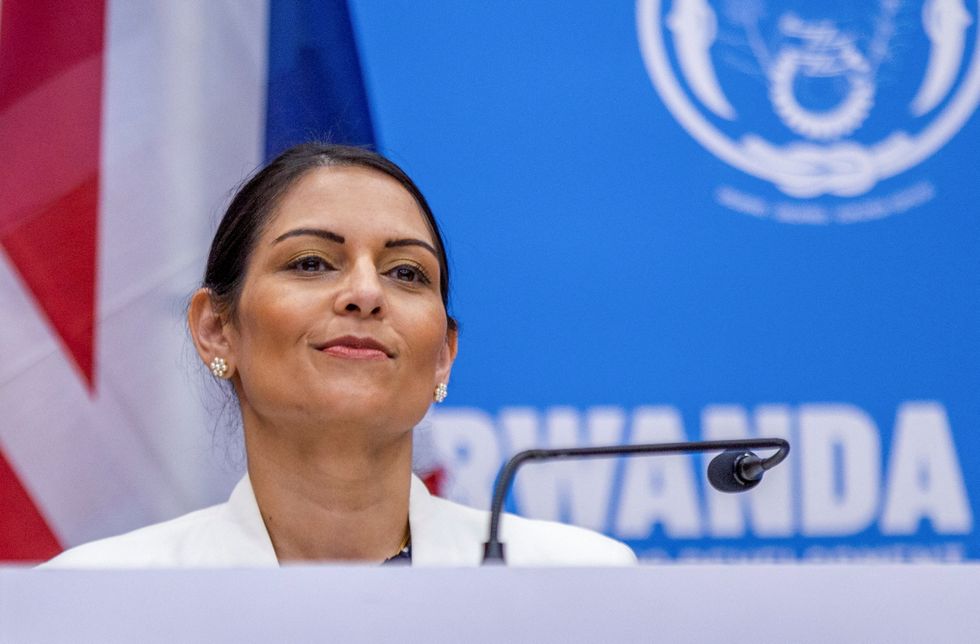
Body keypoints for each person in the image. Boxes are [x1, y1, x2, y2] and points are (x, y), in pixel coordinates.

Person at [44, 143, 636, 567]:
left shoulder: (577, 583)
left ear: (443, 356)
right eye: (311, 263)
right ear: (217, 329)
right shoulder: (94, 599)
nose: (366, 294)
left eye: (406, 273)